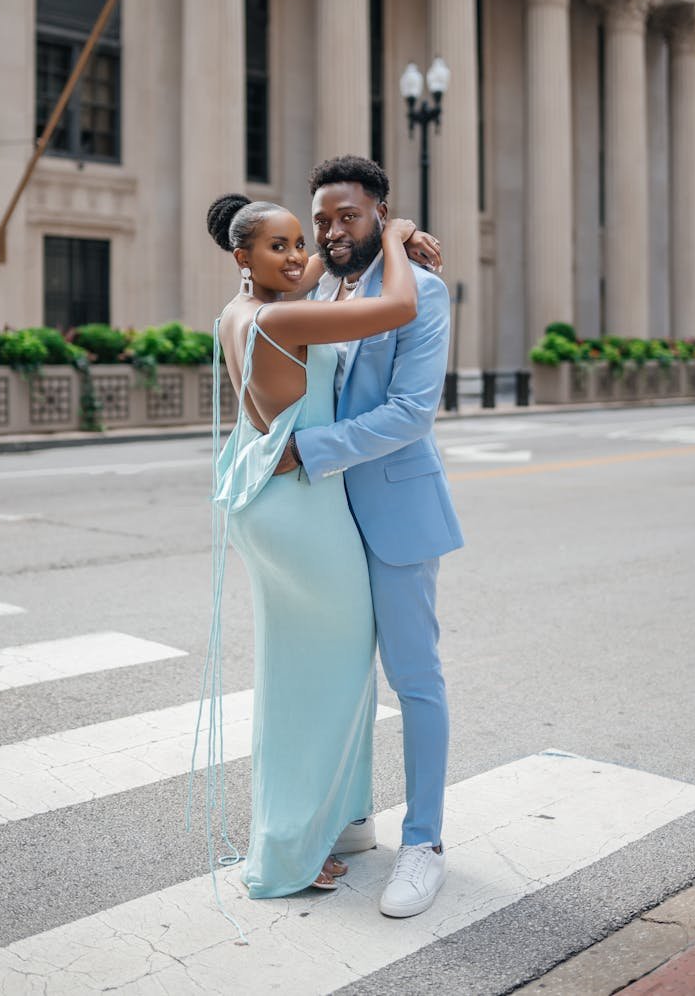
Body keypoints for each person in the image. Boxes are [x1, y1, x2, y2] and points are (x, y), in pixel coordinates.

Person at [204, 191, 422, 899]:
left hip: (262, 500)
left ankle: (320, 826)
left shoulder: (235, 314)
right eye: (279, 246)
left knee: (295, 677)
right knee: (325, 681)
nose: (298, 255)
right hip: (300, 509)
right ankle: (291, 852)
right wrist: (393, 236)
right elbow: (397, 308)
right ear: (243, 257)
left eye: (301, 242)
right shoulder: (284, 315)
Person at [274, 155, 463, 919]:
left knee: (412, 678)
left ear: (380, 211)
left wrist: (310, 452)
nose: (329, 229)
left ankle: (424, 845)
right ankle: (352, 817)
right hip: (323, 519)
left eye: (347, 214)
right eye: (321, 217)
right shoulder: (321, 285)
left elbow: (413, 412)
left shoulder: (420, 288)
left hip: (393, 512)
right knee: (337, 672)